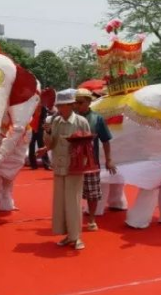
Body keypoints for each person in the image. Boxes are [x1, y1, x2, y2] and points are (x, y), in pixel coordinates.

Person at [37, 90, 90, 250]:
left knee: (73, 202)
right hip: (59, 166)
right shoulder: (55, 122)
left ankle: (76, 237)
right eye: (58, 106)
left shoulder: (81, 122)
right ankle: (68, 235)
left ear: (71, 105)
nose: (60, 108)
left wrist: (81, 159)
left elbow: (88, 144)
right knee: (61, 203)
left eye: (62, 105)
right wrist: (47, 137)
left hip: (74, 167)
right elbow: (51, 143)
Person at [74, 88, 117, 231]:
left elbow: (105, 141)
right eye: (75, 102)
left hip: (91, 163)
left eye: (80, 102)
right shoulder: (70, 119)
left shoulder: (97, 119)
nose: (77, 105)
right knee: (72, 192)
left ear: (88, 102)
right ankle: (73, 219)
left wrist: (109, 160)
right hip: (73, 162)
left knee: (92, 193)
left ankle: (91, 219)